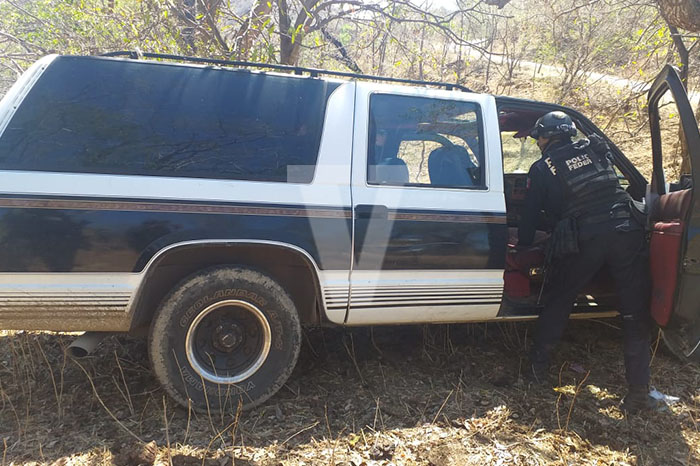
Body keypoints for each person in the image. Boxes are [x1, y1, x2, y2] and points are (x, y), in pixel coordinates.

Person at [518, 110, 659, 413]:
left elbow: (529, 214)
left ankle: (536, 372)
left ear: (547, 137)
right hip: (627, 231)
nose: (538, 143)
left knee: (560, 299)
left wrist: (524, 245)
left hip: (585, 238)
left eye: (539, 138)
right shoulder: (595, 149)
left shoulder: (542, 167)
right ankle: (638, 393)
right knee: (634, 313)